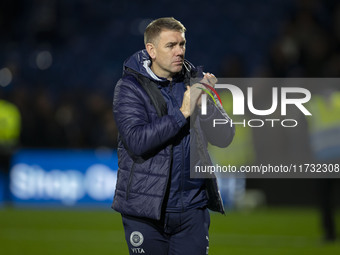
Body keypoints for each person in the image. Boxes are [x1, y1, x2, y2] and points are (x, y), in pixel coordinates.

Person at [112, 17, 235, 255]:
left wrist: (206, 100)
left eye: (182, 44)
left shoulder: (193, 83)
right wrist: (182, 113)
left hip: (192, 208)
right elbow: (137, 142)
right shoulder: (129, 87)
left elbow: (225, 136)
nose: (179, 51)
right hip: (146, 211)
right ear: (152, 50)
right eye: (171, 45)